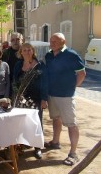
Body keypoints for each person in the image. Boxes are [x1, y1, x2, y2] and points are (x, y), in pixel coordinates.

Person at [44, 33, 86, 166]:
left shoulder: (71, 54)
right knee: (56, 118)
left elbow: (82, 73)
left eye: (55, 41)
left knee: (71, 124)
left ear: (63, 41)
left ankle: (73, 153)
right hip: (52, 94)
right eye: (51, 41)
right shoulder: (49, 55)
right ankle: (55, 142)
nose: (52, 43)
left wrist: (72, 87)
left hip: (66, 96)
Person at [13, 43, 48, 159]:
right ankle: (22, 144)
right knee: (23, 122)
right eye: (24, 50)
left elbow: (44, 83)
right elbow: (14, 81)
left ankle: (37, 147)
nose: (27, 52)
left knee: (36, 122)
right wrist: (15, 95)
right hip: (21, 99)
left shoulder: (40, 65)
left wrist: (44, 99)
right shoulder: (18, 65)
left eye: (29, 50)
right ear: (21, 52)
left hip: (36, 98)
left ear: (33, 51)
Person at [1, 32, 24, 97]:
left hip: (23, 86)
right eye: (12, 40)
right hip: (9, 85)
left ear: (22, 40)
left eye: (17, 39)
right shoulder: (5, 53)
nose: (15, 42)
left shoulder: (26, 51)